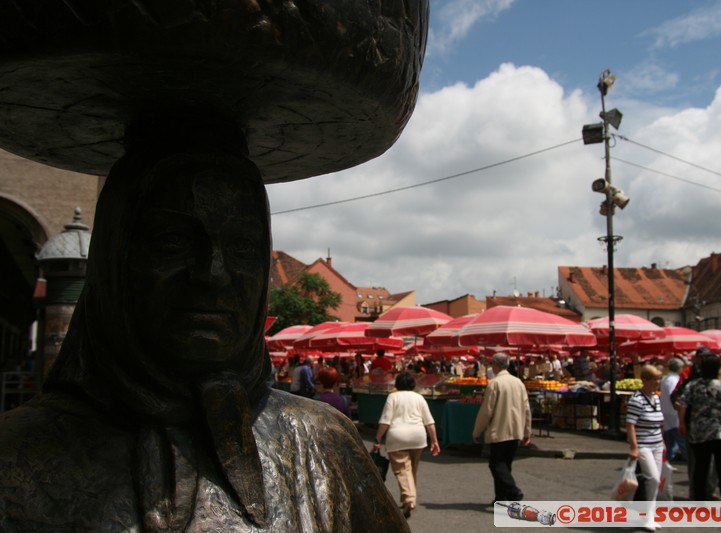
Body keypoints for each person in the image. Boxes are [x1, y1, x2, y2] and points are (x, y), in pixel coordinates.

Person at [0, 122, 408, 531]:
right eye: (174, 241)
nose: (213, 273)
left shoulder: (323, 443)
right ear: (115, 259)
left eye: (242, 246)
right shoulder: (15, 457)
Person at [373, 372, 440, 518]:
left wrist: (378, 438)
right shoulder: (419, 397)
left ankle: (409, 498)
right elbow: (429, 421)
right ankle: (409, 498)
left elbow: (385, 420)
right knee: (412, 469)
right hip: (418, 436)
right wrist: (434, 440)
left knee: (403, 470)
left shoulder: (393, 397)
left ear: (397, 384)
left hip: (397, 437)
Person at [679, 354, 721, 501]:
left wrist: (682, 423)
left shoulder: (693, 385)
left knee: (700, 467)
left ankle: (699, 500)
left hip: (698, 431)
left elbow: (683, 404)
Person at [472, 353, 532, 504]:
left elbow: (487, 410)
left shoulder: (495, 383)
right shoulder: (518, 382)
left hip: (499, 429)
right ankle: (501, 497)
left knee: (496, 464)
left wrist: (477, 430)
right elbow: (526, 409)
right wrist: (527, 431)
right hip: (515, 429)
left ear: (496, 365)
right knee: (506, 464)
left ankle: (512, 492)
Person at [626, 364, 665, 532]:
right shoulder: (637, 399)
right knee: (653, 478)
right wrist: (634, 447)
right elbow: (630, 425)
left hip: (656, 443)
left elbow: (658, 423)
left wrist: (662, 441)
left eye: (659, 379)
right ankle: (646, 515)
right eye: (655, 379)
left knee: (655, 482)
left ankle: (650, 514)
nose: (657, 382)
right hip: (643, 445)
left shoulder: (656, 398)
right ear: (645, 380)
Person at [662, 357, 688, 462]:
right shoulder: (674, 380)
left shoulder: (665, 378)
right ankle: (688, 459)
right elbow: (674, 396)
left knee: (670, 439)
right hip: (674, 413)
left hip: (666, 411)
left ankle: (667, 459)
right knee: (680, 439)